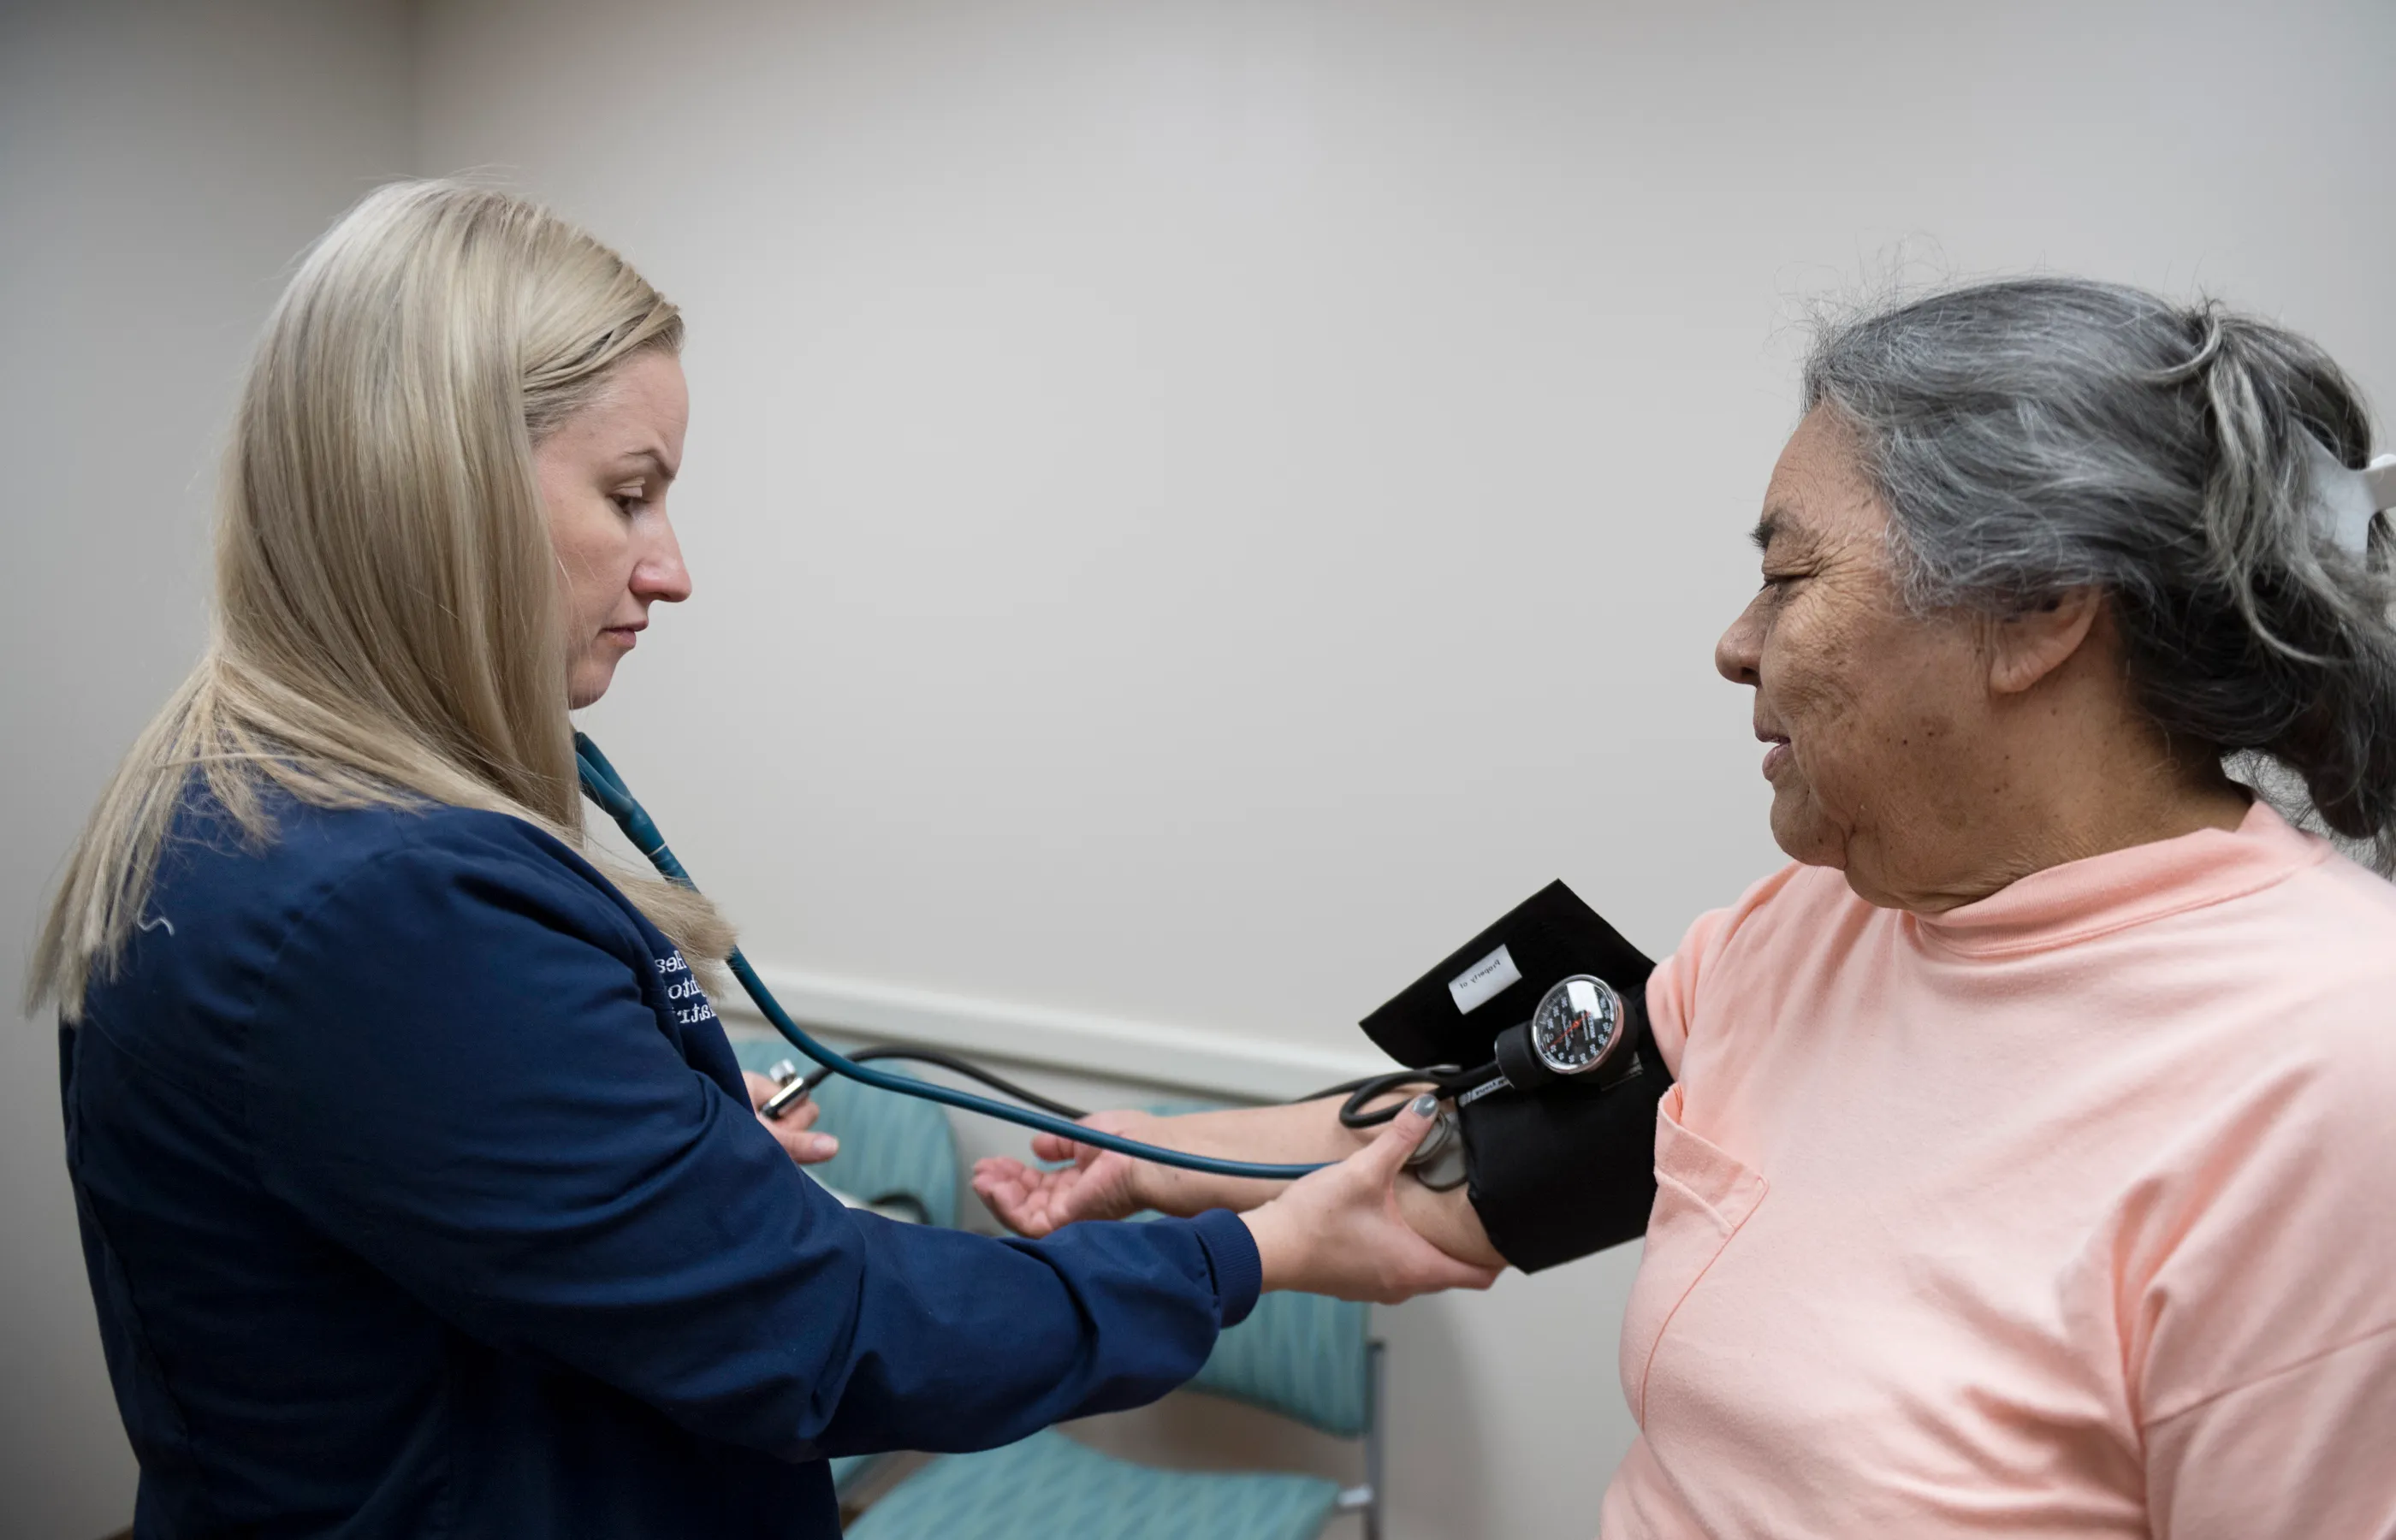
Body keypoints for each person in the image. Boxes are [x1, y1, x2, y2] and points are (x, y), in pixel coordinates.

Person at [29, 181, 1497, 1540]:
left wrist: (657, 1134)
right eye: (627, 492)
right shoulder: (383, 905)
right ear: (443, 487)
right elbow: (822, 1336)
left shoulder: (233, 815)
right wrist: (1251, 1257)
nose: (669, 566)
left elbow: (447, 1192)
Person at [975, 277, 2396, 1537]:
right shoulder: (1813, 928)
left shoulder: (2333, 1066)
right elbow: (1447, 1176)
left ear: (2035, 613)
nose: (1733, 645)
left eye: (1789, 578)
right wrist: (1144, 1155)